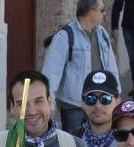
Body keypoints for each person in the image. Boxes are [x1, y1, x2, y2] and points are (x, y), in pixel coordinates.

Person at [41, 0, 121, 134]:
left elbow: (111, 67)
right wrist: (49, 104)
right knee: (74, 146)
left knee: (99, 143)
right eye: (101, 10)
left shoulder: (102, 34)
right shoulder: (65, 36)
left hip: (100, 102)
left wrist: (116, 93)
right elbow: (51, 72)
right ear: (90, 12)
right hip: (74, 105)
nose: (105, 13)